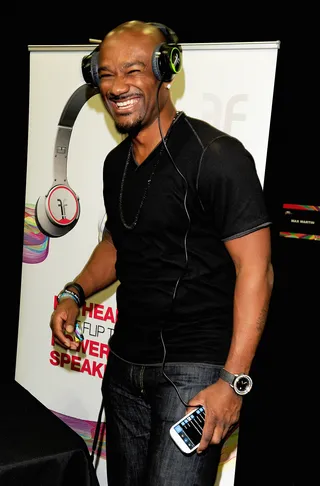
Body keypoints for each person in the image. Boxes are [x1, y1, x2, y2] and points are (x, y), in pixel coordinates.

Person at [50, 20, 274, 486]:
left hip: (195, 376)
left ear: (165, 70)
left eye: (133, 70)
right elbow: (117, 241)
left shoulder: (217, 156)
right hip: (125, 367)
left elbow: (257, 270)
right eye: (106, 73)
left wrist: (233, 382)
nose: (116, 86)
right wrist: (75, 290)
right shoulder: (117, 163)